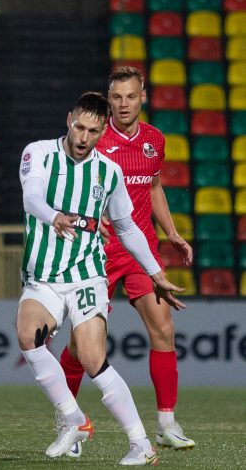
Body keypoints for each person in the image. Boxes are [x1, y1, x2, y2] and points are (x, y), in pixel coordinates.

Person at [18, 91, 186, 465]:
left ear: (100, 133)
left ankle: (141, 443)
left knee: (93, 357)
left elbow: (126, 228)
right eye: (79, 127)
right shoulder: (39, 153)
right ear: (68, 120)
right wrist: (52, 216)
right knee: (29, 337)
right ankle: (75, 419)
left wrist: (156, 274)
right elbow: (31, 196)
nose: (83, 138)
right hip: (43, 275)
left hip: (86, 274)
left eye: (93, 131)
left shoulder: (108, 172)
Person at [59, 67, 195, 453]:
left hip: (139, 251)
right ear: (108, 98)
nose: (122, 104)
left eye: (130, 97)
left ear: (143, 97)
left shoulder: (154, 140)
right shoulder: (95, 139)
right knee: (80, 347)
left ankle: (166, 424)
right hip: (96, 253)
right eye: (116, 97)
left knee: (163, 329)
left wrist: (171, 232)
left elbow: (153, 187)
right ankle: (70, 423)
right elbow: (71, 183)